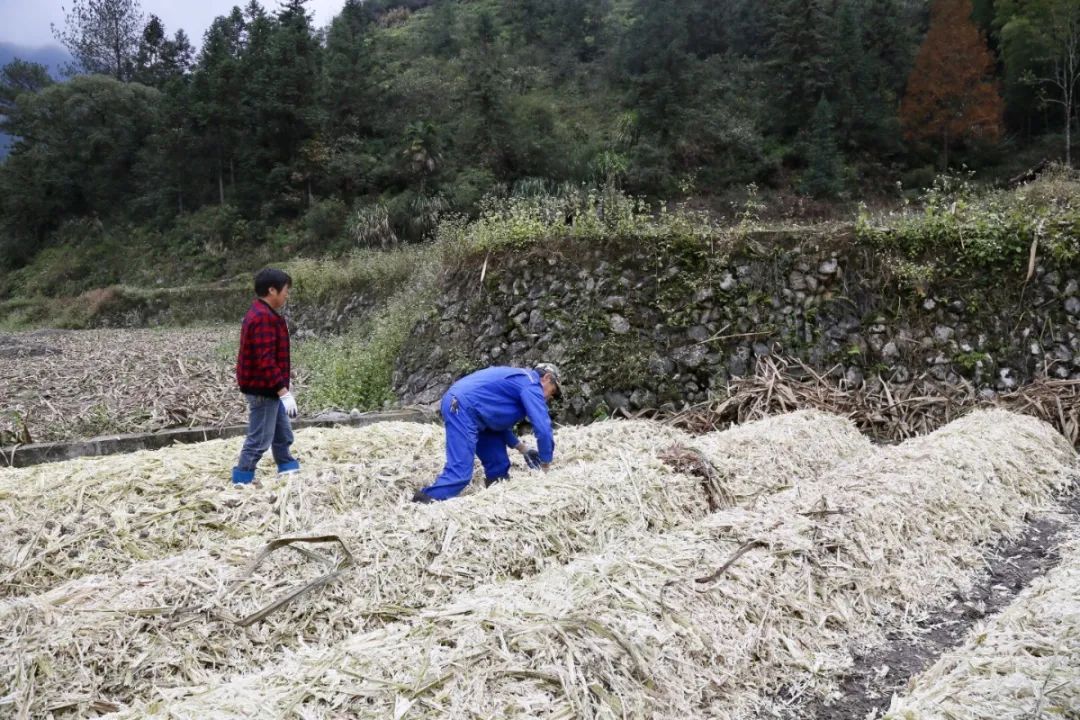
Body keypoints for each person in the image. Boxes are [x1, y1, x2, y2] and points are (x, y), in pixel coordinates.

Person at [413, 363, 562, 503]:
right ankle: (421, 504)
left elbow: (497, 422)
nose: (549, 398)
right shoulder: (531, 384)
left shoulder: (520, 381)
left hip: (478, 414)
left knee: (499, 465)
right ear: (547, 378)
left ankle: (494, 503)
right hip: (461, 407)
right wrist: (545, 465)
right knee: (460, 474)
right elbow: (543, 429)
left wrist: (522, 448)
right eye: (553, 391)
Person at [231, 268, 300, 485]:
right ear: (272, 290)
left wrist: (280, 391)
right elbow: (265, 358)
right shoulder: (262, 318)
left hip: (268, 387)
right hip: (263, 388)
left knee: (282, 432)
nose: (287, 295)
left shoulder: (264, 313)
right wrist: (283, 391)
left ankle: (286, 465)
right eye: (285, 291)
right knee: (260, 437)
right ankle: (243, 476)